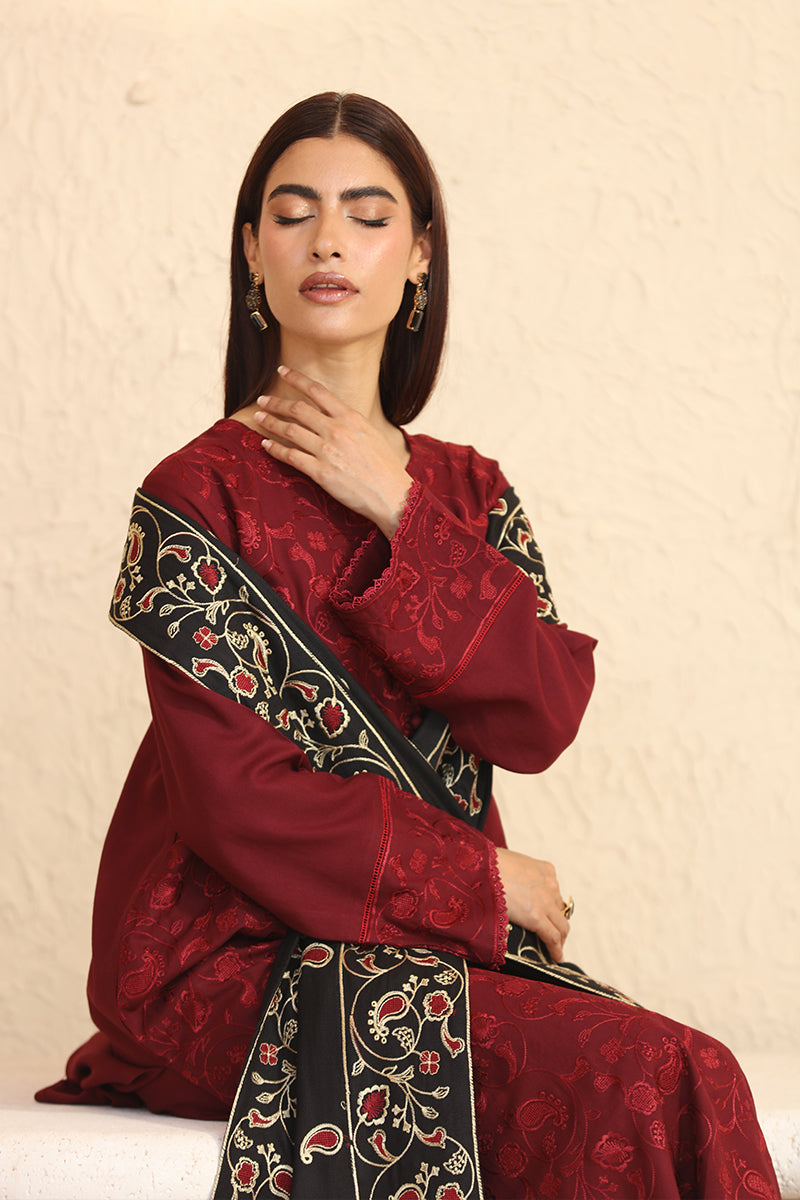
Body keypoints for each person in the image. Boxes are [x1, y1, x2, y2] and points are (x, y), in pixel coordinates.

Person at [37, 93, 779, 1200]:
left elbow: (536, 716)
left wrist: (399, 510)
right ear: (252, 251)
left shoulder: (468, 494)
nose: (328, 240)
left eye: (366, 214)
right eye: (292, 213)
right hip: (229, 958)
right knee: (645, 1076)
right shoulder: (197, 496)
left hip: (420, 944)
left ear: (419, 254)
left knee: (685, 1072)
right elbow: (235, 803)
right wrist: (481, 876)